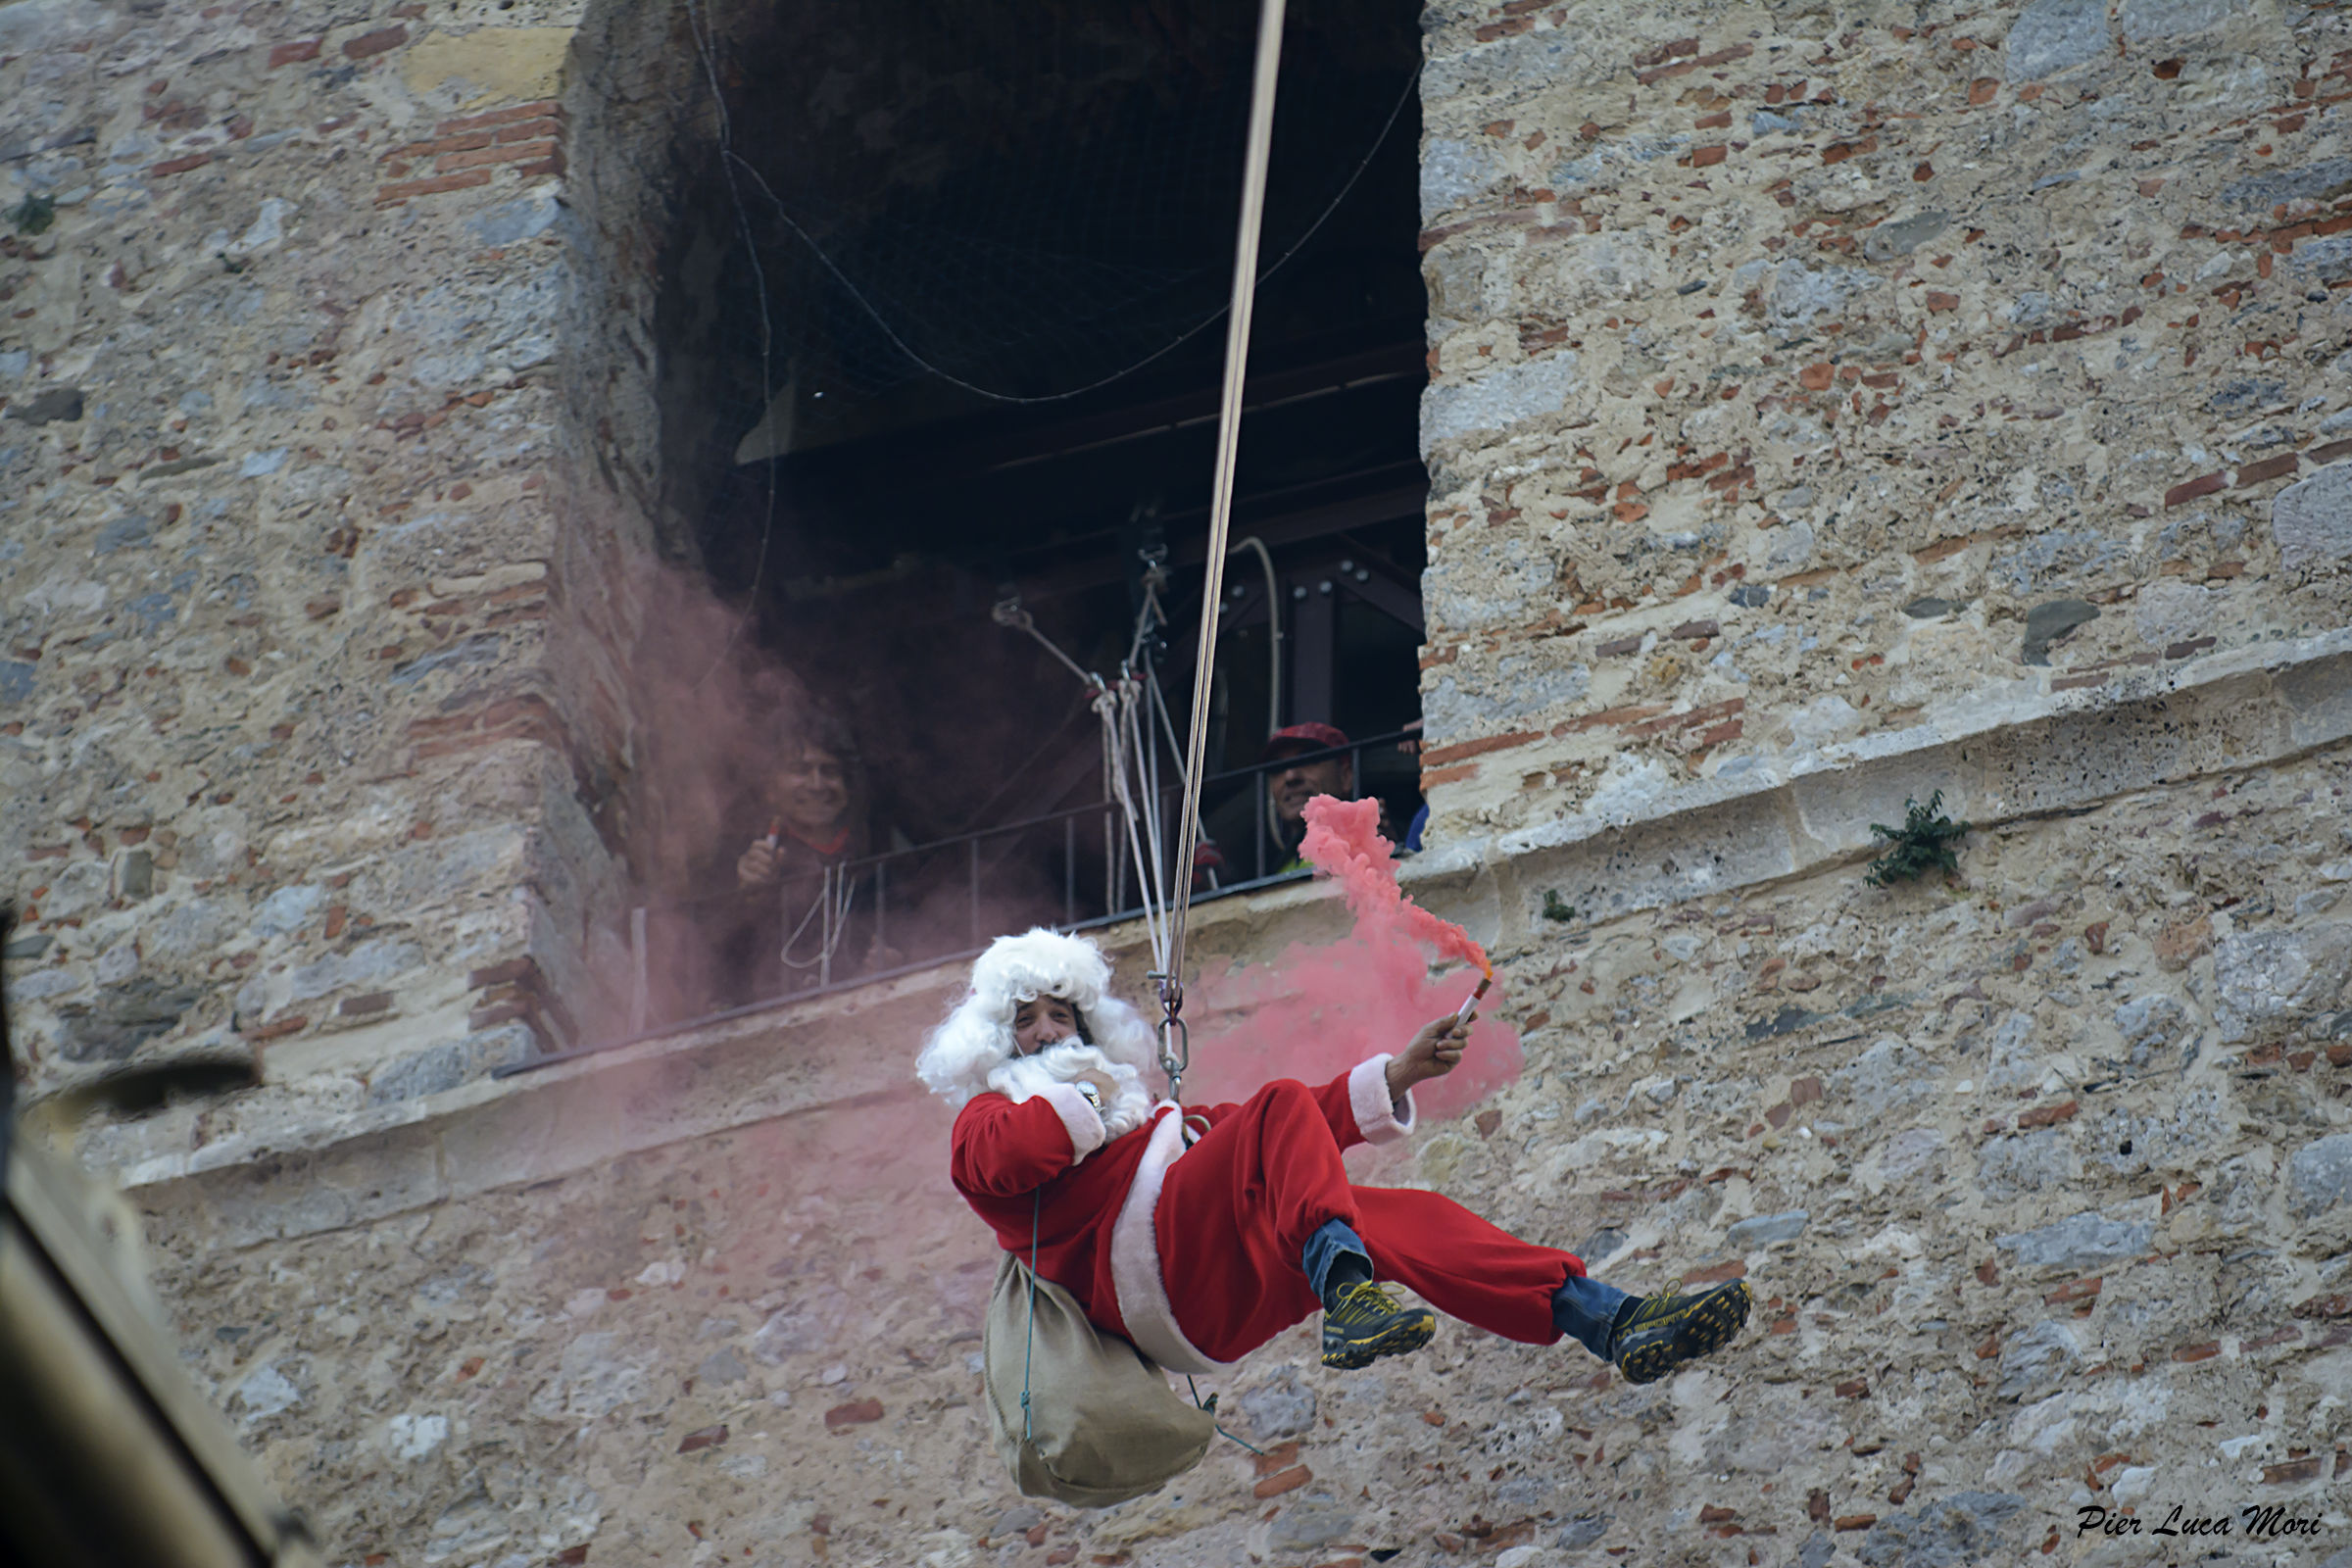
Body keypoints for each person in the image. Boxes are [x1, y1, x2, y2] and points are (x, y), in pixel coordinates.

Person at [916, 928, 1750, 1384]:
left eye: (1062, 1015)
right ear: (996, 1040)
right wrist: (1087, 1091)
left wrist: (1401, 1070)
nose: (1047, 1032)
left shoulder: (1154, 1126)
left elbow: (1298, 1127)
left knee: (1407, 1216)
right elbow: (1016, 1156)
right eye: (1026, 1020)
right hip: (1150, 1287)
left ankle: (1610, 1320)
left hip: (1216, 1284)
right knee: (1276, 1109)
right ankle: (1347, 1296)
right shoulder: (986, 1121)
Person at [701, 707, 895, 1005]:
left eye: (830, 771)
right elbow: (704, 953)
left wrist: (897, 960)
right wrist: (742, 895)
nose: (817, 785)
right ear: (770, 788)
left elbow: (917, 933)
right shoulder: (742, 858)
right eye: (801, 770)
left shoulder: (878, 858)